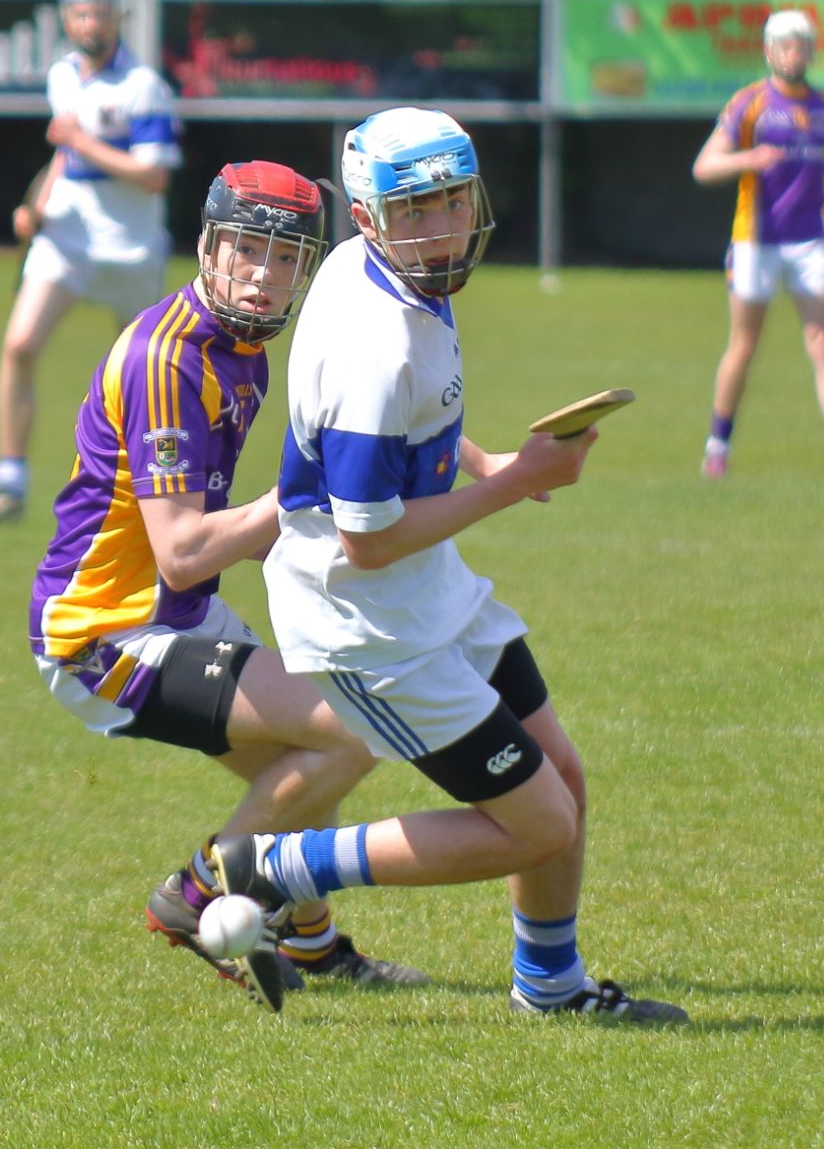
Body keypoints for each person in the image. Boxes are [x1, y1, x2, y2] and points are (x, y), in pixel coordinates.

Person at [211, 107, 689, 1025]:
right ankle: (277, 865)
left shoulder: (388, 274)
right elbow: (368, 537)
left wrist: (488, 463)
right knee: (540, 822)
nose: (441, 228)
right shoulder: (373, 347)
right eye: (415, 209)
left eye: (453, 200)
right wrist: (523, 485)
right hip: (370, 623)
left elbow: (419, 426)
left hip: (428, 589)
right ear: (364, 217)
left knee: (564, 779)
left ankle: (550, 988)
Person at [29, 159, 430, 1012]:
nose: (264, 274)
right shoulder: (169, 360)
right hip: (105, 634)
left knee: (308, 763)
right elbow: (182, 551)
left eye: (287, 259)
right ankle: (201, 888)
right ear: (209, 246)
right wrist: (301, 498)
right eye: (247, 249)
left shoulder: (241, 352)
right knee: (351, 733)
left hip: (177, 611)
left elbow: (214, 536)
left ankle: (311, 945)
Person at [0, 0, 183, 526]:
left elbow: (154, 176)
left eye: (101, 13)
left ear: (117, 18)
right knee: (18, 344)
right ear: (67, 18)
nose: (91, 23)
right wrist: (33, 203)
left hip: (130, 252)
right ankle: (9, 481)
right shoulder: (63, 75)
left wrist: (81, 140)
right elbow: (66, 159)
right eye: (81, 14)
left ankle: (151, 490)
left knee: (144, 375)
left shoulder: (143, 85)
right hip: (67, 241)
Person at [693, 9, 824, 482]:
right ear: (769, 50)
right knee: (744, 346)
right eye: (787, 44)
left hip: (812, 240)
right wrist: (749, 157)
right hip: (756, 242)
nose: (796, 52)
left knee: (823, 344)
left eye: (803, 44)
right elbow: (705, 165)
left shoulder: (823, 107)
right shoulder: (749, 103)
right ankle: (718, 445)